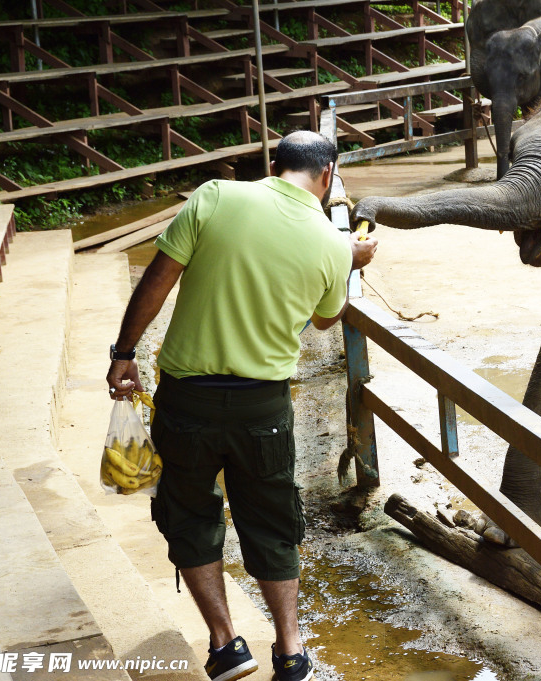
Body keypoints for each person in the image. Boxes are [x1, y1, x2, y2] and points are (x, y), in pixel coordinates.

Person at [106, 130, 377, 681]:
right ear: (328, 176)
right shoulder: (330, 242)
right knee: (273, 521)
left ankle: (227, 643)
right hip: (264, 408)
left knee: (188, 512)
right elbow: (326, 320)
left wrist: (124, 354)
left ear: (275, 164)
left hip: (188, 399)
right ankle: (291, 647)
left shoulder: (216, 197)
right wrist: (349, 259)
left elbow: (158, 281)